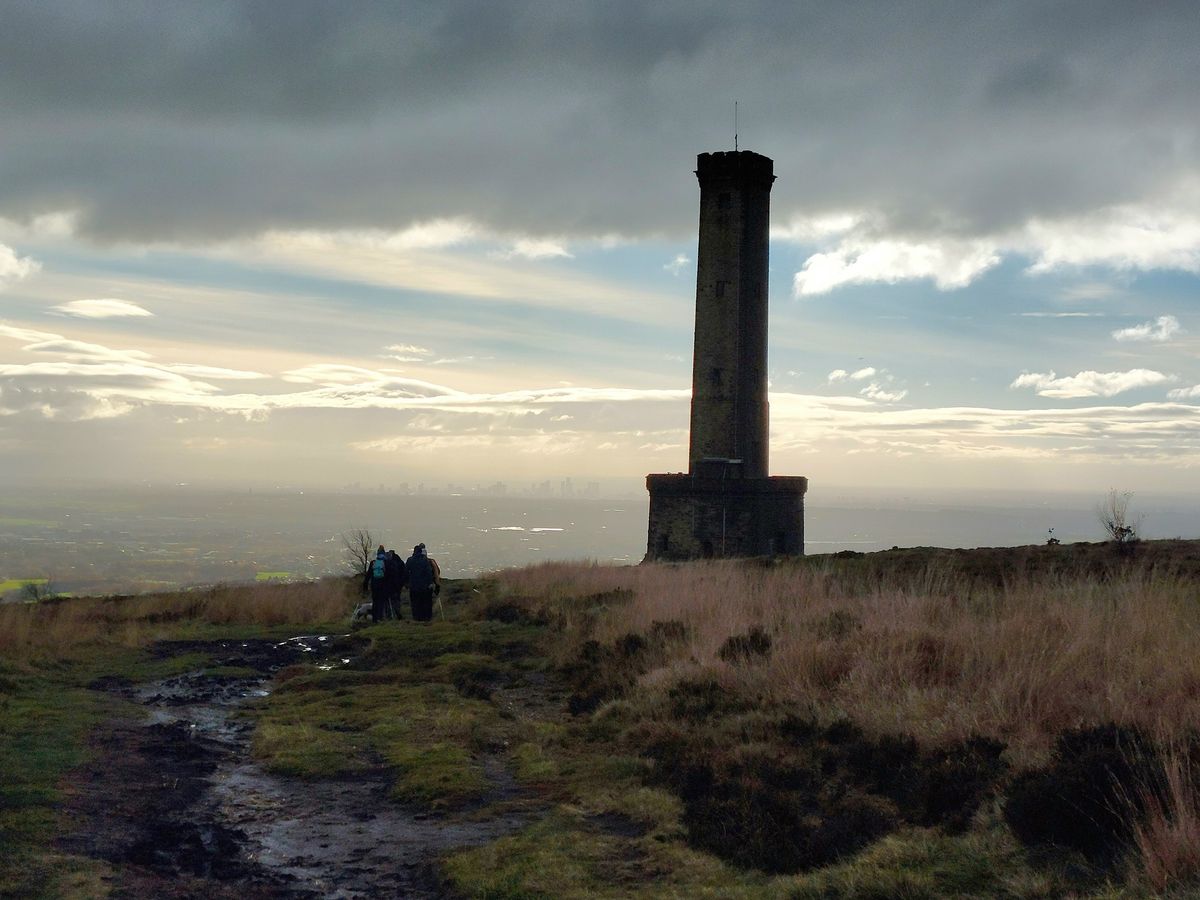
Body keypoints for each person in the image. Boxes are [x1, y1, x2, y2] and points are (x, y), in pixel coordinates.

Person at [405, 542, 441, 622]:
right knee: (426, 603)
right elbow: (428, 573)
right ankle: (427, 618)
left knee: (415, 603)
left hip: (414, 586)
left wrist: (407, 583)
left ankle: (416, 618)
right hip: (425, 586)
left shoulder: (410, 560)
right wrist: (430, 583)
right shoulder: (425, 560)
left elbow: (406, 572)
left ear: (414, 552)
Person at [362, 544, 390, 624]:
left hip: (374, 585)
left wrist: (365, 586)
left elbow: (368, 576)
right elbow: (388, 575)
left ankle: (374, 619)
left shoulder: (373, 563)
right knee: (381, 601)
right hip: (382, 585)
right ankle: (380, 617)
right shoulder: (386, 562)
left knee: (375, 602)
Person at [384, 548, 406, 620]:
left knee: (387, 600)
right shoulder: (399, 562)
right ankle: (397, 613)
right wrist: (402, 583)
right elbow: (403, 573)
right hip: (397, 584)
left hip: (387, 585)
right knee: (396, 599)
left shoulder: (385, 564)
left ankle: (389, 615)